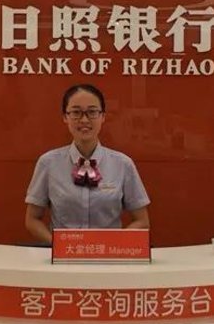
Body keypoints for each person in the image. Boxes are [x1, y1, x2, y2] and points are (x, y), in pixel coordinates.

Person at [24, 84, 150, 243]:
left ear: (103, 117)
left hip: (108, 255)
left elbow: (142, 221)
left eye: (92, 112)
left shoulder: (123, 164)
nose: (84, 120)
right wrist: (58, 245)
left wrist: (112, 244)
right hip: (64, 255)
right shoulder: (48, 163)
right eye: (76, 112)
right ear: (65, 117)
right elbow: (32, 219)